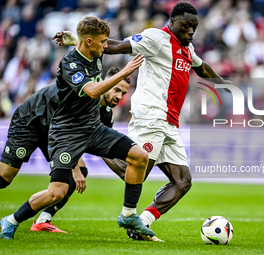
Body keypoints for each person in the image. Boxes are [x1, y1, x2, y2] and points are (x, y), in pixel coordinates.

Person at [53, 2, 233, 241]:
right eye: (186, 26)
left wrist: (224, 84)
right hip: (151, 115)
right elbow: (117, 46)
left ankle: (142, 222)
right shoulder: (156, 38)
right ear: (173, 22)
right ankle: (91, 141)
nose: (191, 31)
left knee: (182, 181)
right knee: (135, 169)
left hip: (169, 122)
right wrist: (78, 39)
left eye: (194, 27)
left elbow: (202, 68)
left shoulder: (186, 49)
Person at [0, 16, 154, 240]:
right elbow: (91, 91)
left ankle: (129, 214)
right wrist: (124, 71)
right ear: (90, 42)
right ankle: (11, 220)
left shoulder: (93, 52)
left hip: (90, 127)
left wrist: (75, 39)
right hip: (48, 125)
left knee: (140, 156)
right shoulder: (70, 64)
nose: (106, 46)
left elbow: (92, 46)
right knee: (35, 185)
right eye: (103, 42)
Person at [0, 67, 129, 233]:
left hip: (54, 131)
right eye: (116, 89)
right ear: (105, 83)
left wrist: (128, 172)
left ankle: (43, 220)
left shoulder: (105, 114)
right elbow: (67, 137)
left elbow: (103, 148)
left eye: (123, 93)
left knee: (78, 171)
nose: (119, 97)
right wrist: (74, 170)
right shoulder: (83, 97)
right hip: (30, 121)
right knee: (4, 178)